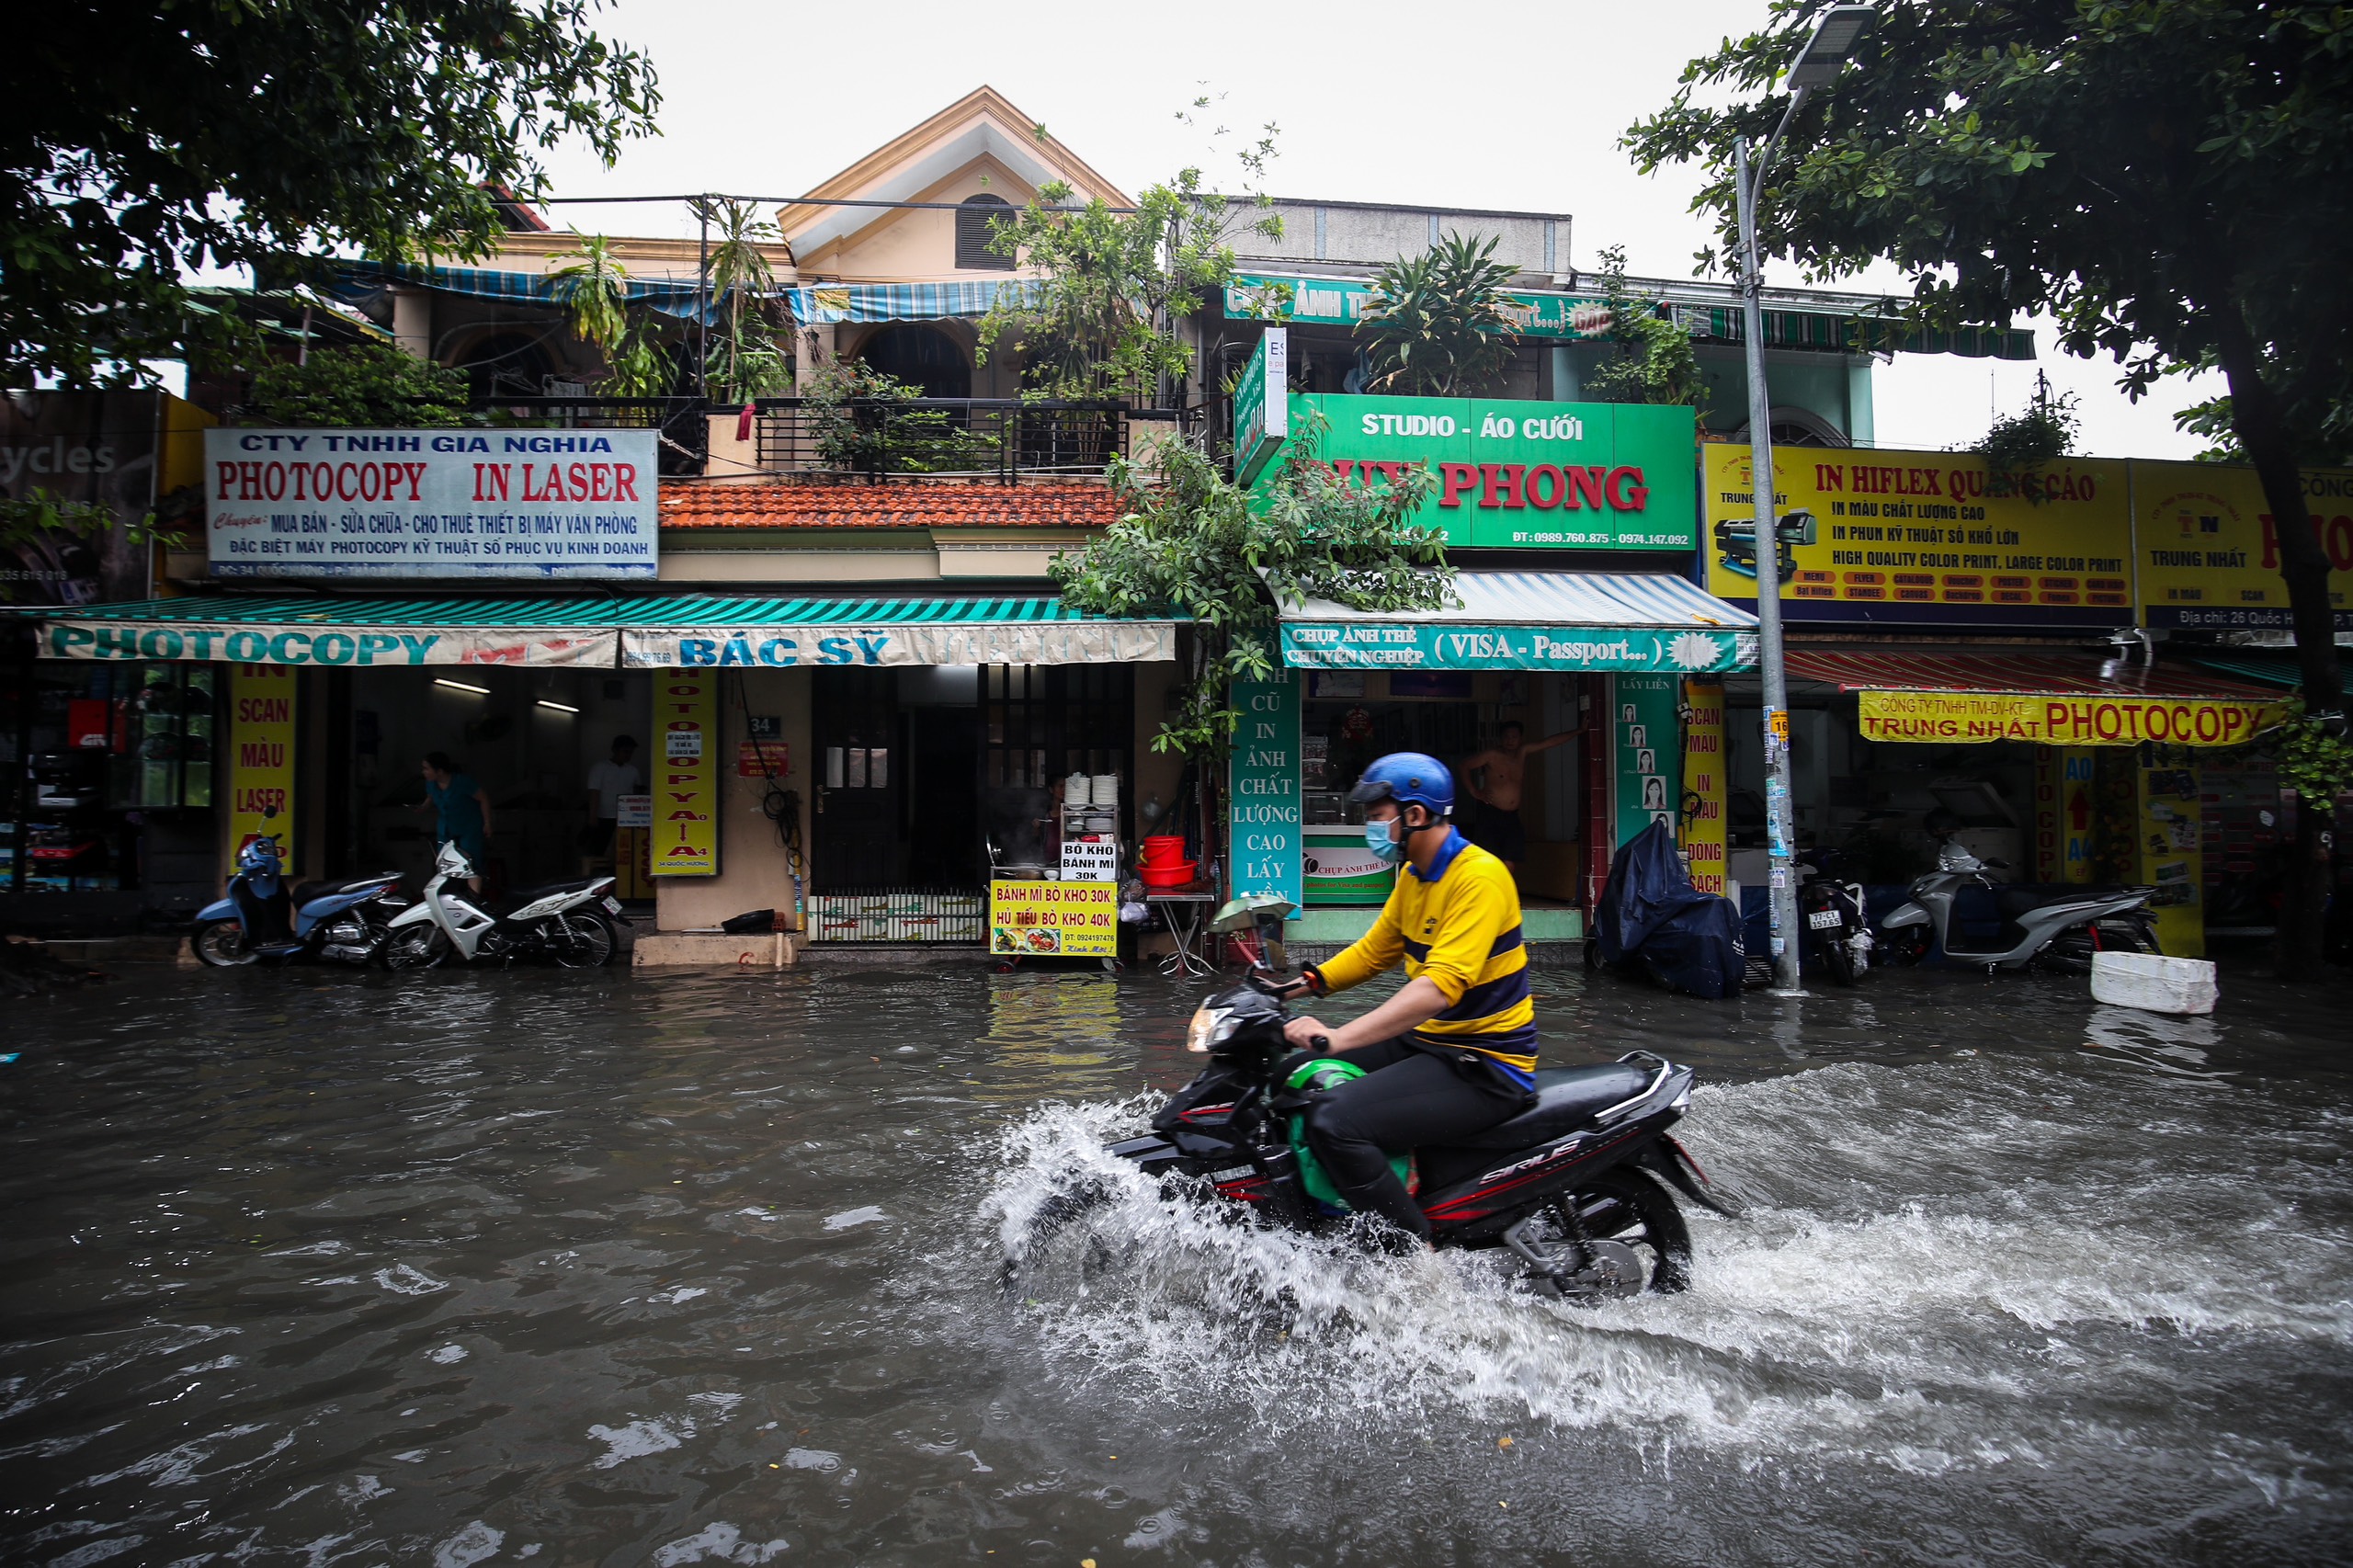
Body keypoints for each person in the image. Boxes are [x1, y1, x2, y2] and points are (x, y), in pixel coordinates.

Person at [1279, 752, 1538, 1248]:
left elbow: (1438, 988)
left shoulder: (1478, 878)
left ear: (1414, 816)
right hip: (1432, 1043)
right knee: (1292, 1078)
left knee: (1335, 1122)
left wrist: (1337, 1038)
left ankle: (1412, 1259)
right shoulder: (1415, 876)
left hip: (1484, 1062)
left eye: (1377, 817)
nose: (1370, 828)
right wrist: (1297, 987)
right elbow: (1376, 951)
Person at [1459, 720, 1572, 873]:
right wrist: (1475, 792)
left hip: (1511, 816)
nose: (1510, 740)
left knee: (1510, 859)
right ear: (1500, 739)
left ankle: (1506, 894)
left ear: (1520, 739)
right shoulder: (1492, 755)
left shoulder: (1522, 752)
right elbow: (1464, 765)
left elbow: (1549, 742)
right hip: (1490, 813)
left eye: (1514, 737)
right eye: (1506, 737)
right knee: (1490, 859)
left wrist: (1579, 731)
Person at [416, 752, 492, 892]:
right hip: (446, 829)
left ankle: (473, 898)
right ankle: (448, 896)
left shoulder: (463, 783)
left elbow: (483, 799)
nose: (424, 772)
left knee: (471, 864)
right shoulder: (431, 784)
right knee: (445, 863)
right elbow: (430, 798)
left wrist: (487, 823)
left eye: (427, 768)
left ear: (439, 771)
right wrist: (422, 807)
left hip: (469, 828)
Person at [583, 735, 642, 858]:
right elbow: (594, 792)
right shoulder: (600, 768)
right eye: (625, 751)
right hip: (604, 816)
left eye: (630, 752)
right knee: (599, 850)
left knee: (623, 851)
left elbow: (637, 794)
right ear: (615, 750)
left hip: (626, 818)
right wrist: (593, 816)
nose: (628, 755)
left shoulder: (633, 771)